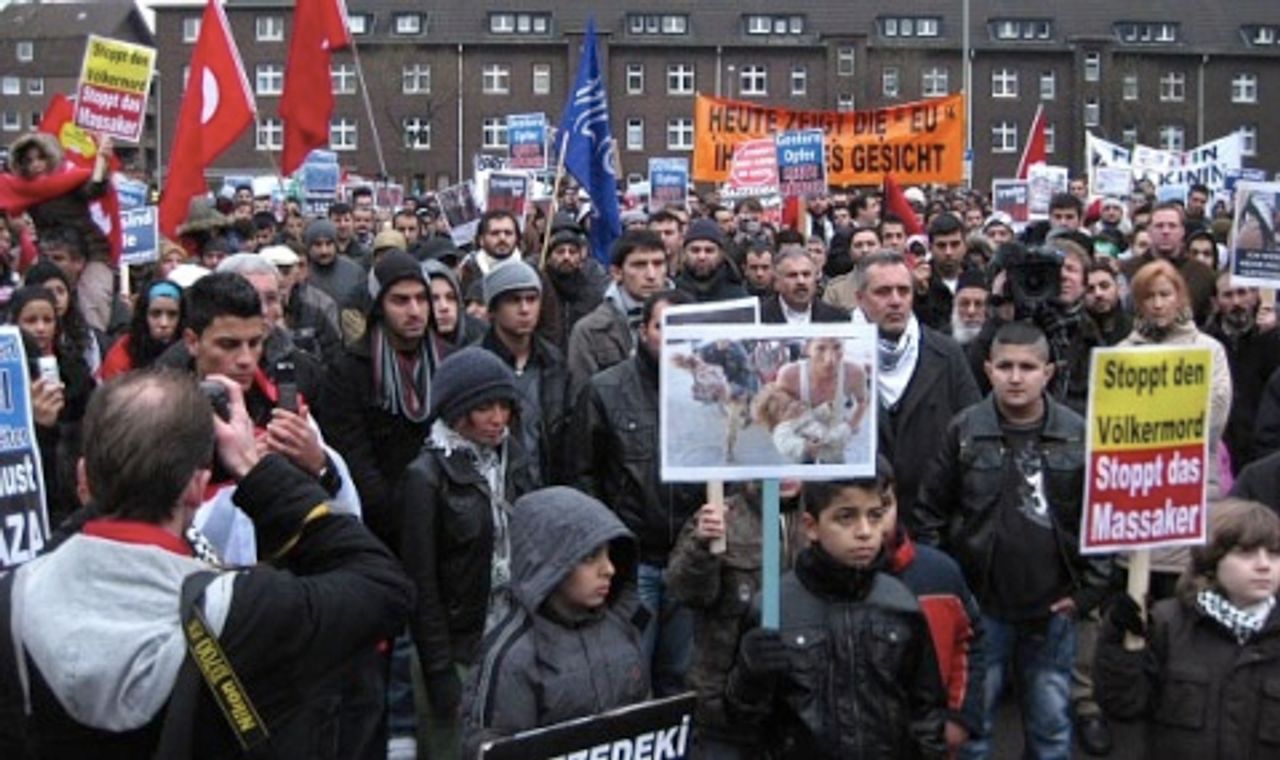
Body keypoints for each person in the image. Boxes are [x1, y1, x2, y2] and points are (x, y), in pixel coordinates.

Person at [0, 370, 413, 759]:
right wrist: (255, 470)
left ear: (84, 476)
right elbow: (382, 584)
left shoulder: (16, 597)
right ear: (198, 487)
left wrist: (111, 491)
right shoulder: (247, 608)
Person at [915, 322, 1111, 760]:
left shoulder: (1078, 433)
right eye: (1005, 366)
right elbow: (930, 513)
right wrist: (952, 591)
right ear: (988, 370)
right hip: (983, 608)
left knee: (1051, 729)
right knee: (975, 729)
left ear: (1049, 372)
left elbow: (1101, 516)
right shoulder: (965, 430)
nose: (1016, 377)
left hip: (1054, 608)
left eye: (1027, 367)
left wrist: (1089, 592)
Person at [724, 465, 948, 758]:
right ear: (811, 526)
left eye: (874, 516)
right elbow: (744, 726)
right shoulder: (773, 608)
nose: (865, 532)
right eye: (846, 517)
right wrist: (748, 678)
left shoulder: (900, 604)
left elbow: (926, 712)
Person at [398, 347, 536, 760]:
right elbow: (420, 583)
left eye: (504, 406)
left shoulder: (513, 461)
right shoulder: (426, 477)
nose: (497, 418)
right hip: (457, 646)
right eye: (484, 408)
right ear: (458, 411)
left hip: (510, 638)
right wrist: (438, 668)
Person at [573, 289, 703, 698]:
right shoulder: (605, 390)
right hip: (632, 562)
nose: (674, 339)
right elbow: (582, 473)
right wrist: (604, 547)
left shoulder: (710, 390)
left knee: (679, 679)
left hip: (689, 558)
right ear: (644, 331)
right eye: (665, 327)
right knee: (628, 680)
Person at [461, 487, 649, 757]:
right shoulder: (513, 655)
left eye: (609, 554)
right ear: (550, 564)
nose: (609, 569)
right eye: (590, 557)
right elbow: (494, 748)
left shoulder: (620, 629)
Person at [1095, 499, 1280, 760]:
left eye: (1274, 554)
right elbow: (1124, 703)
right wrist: (1117, 642)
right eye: (1246, 553)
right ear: (1212, 561)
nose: (1264, 565)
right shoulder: (1167, 623)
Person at [666, 482, 809, 759]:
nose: (786, 471)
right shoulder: (723, 515)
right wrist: (701, 547)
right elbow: (686, 593)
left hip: (797, 707)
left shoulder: (822, 515)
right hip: (723, 710)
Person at [317, 250, 443, 550]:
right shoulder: (348, 371)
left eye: (421, 299)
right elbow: (353, 458)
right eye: (400, 300)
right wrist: (400, 519)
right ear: (378, 305)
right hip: (381, 528)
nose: (414, 311)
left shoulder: (450, 361)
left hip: (445, 520)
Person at [855, 251, 980, 525]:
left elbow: (973, 432)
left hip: (932, 519)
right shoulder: (836, 355)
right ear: (860, 298)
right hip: (860, 520)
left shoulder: (946, 354)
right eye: (883, 292)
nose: (895, 301)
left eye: (904, 291)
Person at [8, 286, 93, 528]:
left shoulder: (76, 370)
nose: (40, 328)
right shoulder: (9, 376)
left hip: (71, 484)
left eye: (48, 320)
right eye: (31, 320)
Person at [479, 260, 570, 486]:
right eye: (514, 300)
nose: (525, 309)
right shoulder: (477, 365)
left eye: (532, 299)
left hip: (547, 486)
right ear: (493, 309)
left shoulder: (554, 362)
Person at [566, 229, 668, 402]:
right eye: (639, 265)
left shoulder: (689, 317)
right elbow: (583, 402)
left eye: (658, 264)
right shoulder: (590, 331)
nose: (651, 275)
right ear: (617, 273)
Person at [1204, 270, 1280, 473]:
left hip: (1261, 450)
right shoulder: (1206, 344)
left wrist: (1273, 335)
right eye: (1228, 295)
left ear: (1255, 295)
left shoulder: (1272, 339)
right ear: (1215, 302)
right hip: (1220, 450)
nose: (1236, 302)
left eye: (1242, 293)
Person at [536, 214, 609, 353]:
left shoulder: (592, 285)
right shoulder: (539, 284)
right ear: (548, 257)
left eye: (572, 252)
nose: (566, 257)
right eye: (560, 252)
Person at [98, 279, 184, 381]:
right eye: (155, 314)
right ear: (143, 316)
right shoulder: (123, 353)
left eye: (172, 314)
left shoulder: (192, 348)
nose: (164, 323)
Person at [760, 249, 848, 324]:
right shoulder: (758, 317)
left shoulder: (837, 319)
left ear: (816, 278)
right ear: (777, 282)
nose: (801, 281)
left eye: (806, 274)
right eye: (792, 275)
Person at [676, 219, 747, 303]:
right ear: (684, 253)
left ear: (721, 254)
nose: (702, 257)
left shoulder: (739, 297)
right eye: (695, 250)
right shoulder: (673, 294)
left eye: (709, 250)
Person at [305, 218, 366, 307]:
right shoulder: (301, 274)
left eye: (329, 244)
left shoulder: (355, 272)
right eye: (318, 244)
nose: (324, 251)